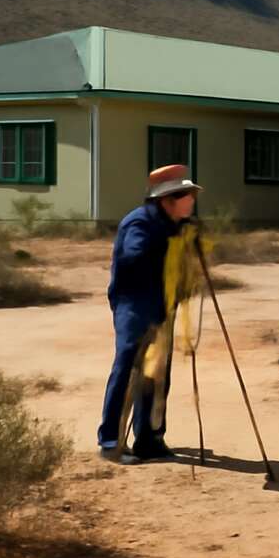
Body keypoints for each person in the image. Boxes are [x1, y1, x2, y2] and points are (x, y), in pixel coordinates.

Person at [96, 164, 201, 465]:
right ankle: (111, 442)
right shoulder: (139, 223)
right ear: (168, 199)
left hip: (161, 305)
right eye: (187, 196)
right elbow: (134, 258)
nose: (192, 201)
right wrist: (172, 244)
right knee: (129, 369)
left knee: (156, 374)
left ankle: (149, 439)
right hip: (134, 304)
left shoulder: (173, 225)